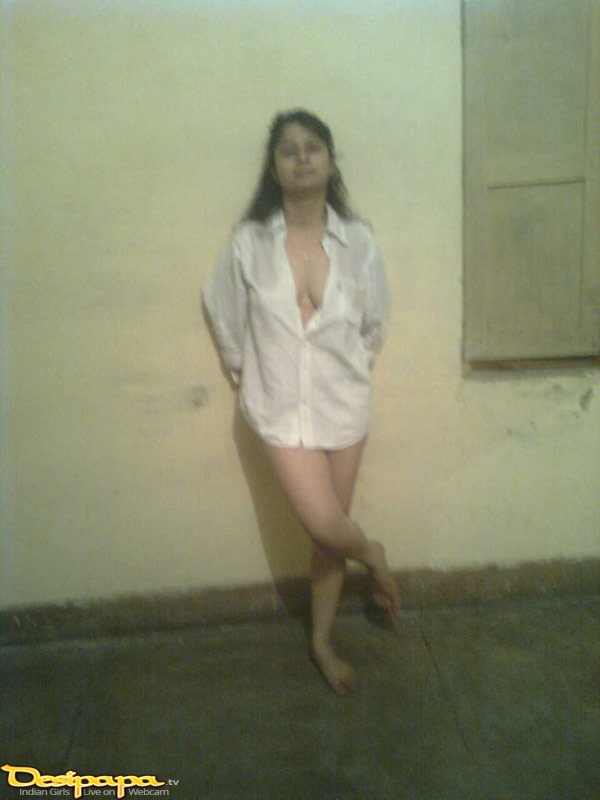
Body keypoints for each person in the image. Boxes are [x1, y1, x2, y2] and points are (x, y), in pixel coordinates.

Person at [203, 109, 400, 694]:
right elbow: (224, 314)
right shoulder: (249, 243)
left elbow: (375, 321)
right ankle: (375, 555)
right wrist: (251, 375)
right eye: (288, 150)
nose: (302, 158)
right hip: (278, 408)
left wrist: (348, 368)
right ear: (274, 168)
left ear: (331, 162)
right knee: (327, 523)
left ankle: (321, 642)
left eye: (314, 147)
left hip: (344, 406)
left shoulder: (359, 241)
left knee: (325, 537)